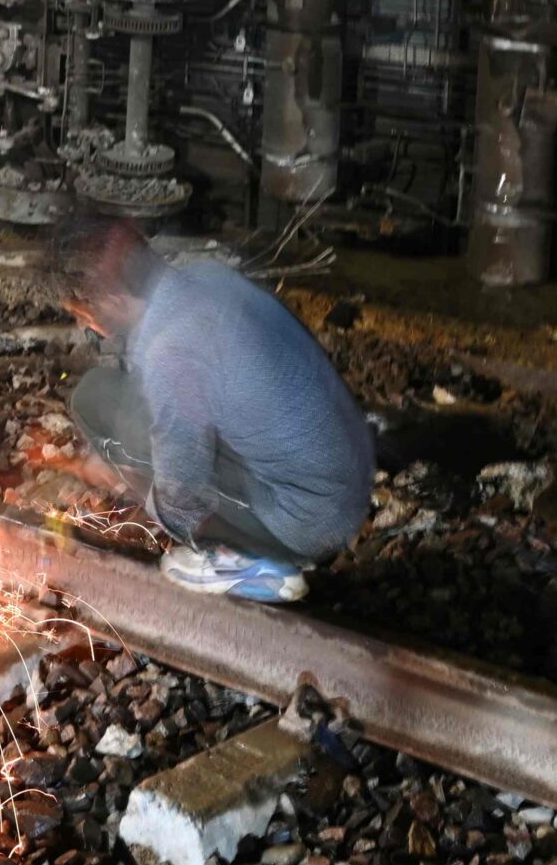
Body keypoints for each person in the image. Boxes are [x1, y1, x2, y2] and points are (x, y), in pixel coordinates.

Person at [57, 217, 374, 603]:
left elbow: (183, 491)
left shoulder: (171, 349)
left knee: (94, 400)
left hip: (309, 522)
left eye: (82, 310)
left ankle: (249, 559)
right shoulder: (205, 278)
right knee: (133, 405)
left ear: (112, 299)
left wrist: (133, 482)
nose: (82, 321)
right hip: (348, 481)